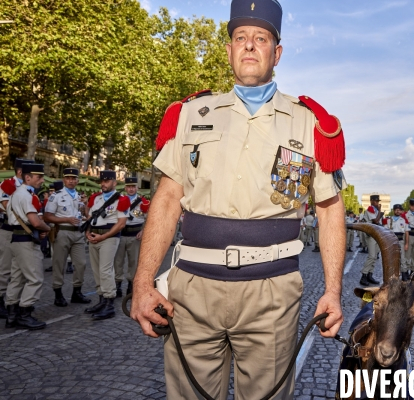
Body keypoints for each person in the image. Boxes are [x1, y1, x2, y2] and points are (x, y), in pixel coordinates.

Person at [130, 1, 347, 397]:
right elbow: (166, 198)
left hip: (273, 294)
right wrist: (143, 282)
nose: (249, 46)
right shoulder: (191, 113)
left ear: (276, 53)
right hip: (191, 292)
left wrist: (332, 290)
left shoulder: (310, 123)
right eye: (240, 38)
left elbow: (330, 209)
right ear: (229, 49)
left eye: (260, 38)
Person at [5, 163, 51, 330]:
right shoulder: (24, 195)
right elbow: (35, 221)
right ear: (27, 177)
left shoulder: (16, 194)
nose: (42, 180)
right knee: (35, 278)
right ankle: (24, 314)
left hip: (17, 238)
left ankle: (11, 315)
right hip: (26, 240)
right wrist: (48, 228)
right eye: (39, 177)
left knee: (17, 278)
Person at [84, 170, 130, 320]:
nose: (103, 184)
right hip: (94, 236)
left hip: (109, 237)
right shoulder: (95, 198)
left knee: (105, 269)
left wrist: (103, 236)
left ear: (114, 183)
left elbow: (121, 224)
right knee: (96, 270)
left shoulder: (121, 200)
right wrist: (88, 232)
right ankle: (101, 300)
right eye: (102, 181)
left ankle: (109, 304)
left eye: (107, 181)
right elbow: (90, 217)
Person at [43, 168, 91, 307]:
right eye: (68, 178)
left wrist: (86, 206)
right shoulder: (56, 196)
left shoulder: (79, 196)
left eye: (73, 178)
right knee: (59, 264)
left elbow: (86, 215)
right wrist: (66, 219)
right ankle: (58, 293)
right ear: (64, 180)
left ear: (77, 180)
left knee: (81, 263)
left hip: (78, 233)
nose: (71, 181)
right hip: (62, 231)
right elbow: (47, 216)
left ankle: (77, 291)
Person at [0, 158, 34, 319]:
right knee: (5, 267)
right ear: (21, 172)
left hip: (25, 231)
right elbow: (7, 207)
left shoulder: (28, 189)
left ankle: (14, 302)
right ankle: (1, 299)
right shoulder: (8, 185)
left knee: (19, 270)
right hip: (9, 229)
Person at [114, 177, 150, 297]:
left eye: (133, 186)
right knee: (118, 261)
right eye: (128, 187)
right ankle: (117, 284)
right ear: (125, 188)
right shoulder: (118, 200)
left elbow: (149, 219)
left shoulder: (143, 202)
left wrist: (144, 231)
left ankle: (131, 284)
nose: (131, 189)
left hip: (135, 235)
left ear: (137, 188)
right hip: (120, 234)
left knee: (133, 261)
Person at [360, 194, 383, 286]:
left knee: (375, 257)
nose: (377, 203)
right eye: (376, 201)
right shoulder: (370, 209)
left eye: (378, 201)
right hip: (371, 235)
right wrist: (380, 212)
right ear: (372, 201)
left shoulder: (375, 210)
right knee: (372, 256)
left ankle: (370, 274)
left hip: (376, 234)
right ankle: (364, 275)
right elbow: (376, 221)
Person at [389, 204, 409, 280]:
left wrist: (406, 243)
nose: (398, 211)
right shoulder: (389, 220)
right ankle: (392, 275)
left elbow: (406, 232)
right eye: (396, 209)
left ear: (401, 211)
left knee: (403, 258)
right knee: (392, 258)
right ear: (394, 210)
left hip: (400, 240)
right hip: (391, 241)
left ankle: (404, 275)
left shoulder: (403, 221)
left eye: (399, 210)